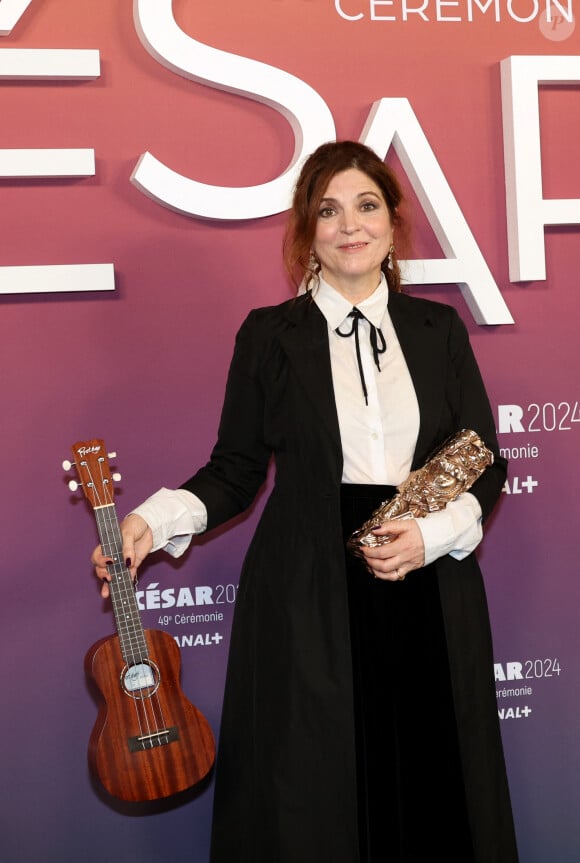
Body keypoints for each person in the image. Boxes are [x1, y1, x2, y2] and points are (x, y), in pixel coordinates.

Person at [92, 141, 518, 863]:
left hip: (429, 584)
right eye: (328, 209)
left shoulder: (437, 329)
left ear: (391, 222)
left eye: (366, 205)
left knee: (434, 785)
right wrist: (148, 521)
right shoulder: (271, 337)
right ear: (306, 229)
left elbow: (482, 460)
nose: (349, 225)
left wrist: (433, 535)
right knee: (311, 795)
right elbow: (233, 469)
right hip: (306, 589)